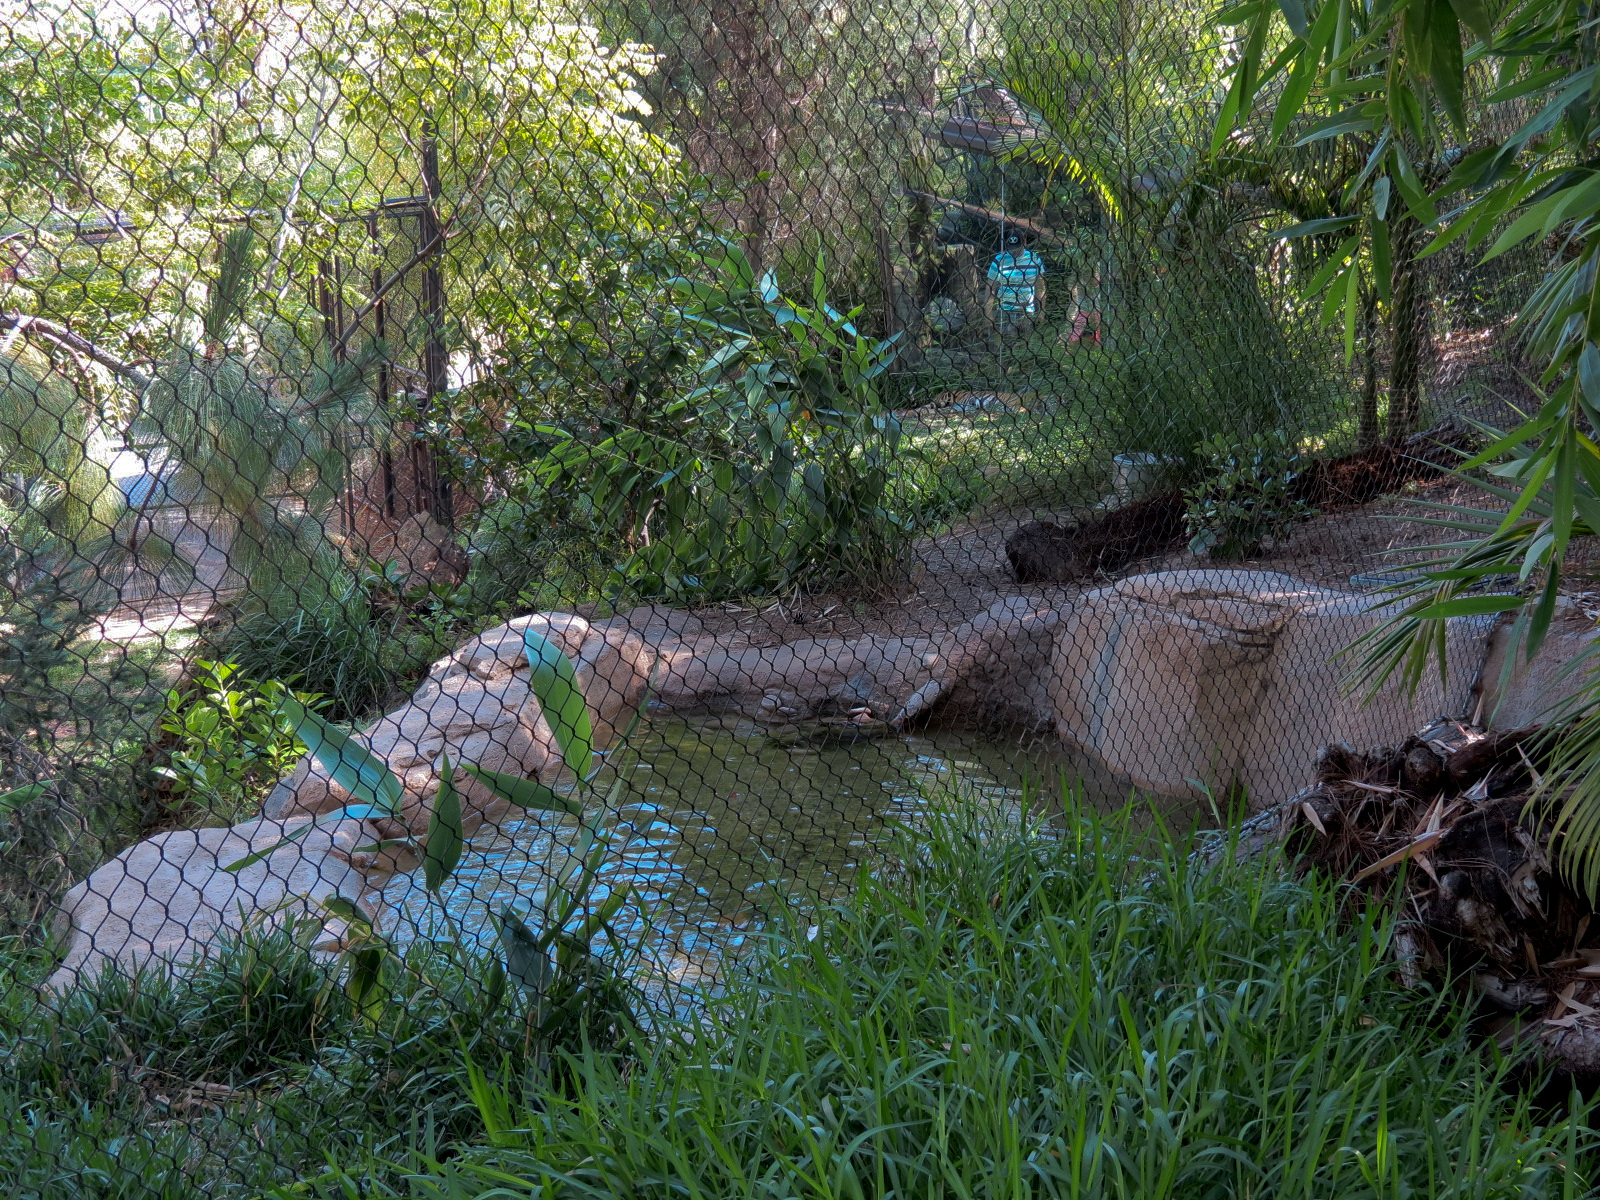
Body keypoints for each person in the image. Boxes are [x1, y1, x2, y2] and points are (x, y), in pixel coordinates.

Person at [986, 231, 1045, 340]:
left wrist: (1041, 310)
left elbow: (1040, 287)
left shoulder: (1034, 259)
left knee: (1027, 345)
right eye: (1011, 247)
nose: (1014, 251)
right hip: (1005, 310)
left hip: (1027, 311)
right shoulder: (999, 260)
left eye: (1017, 247)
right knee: (1006, 344)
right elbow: (990, 288)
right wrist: (988, 314)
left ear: (1024, 242)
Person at [1067, 267, 1102, 345]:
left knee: (1099, 331)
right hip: (1084, 309)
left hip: (1096, 309)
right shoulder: (1079, 275)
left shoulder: (1098, 268)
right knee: (1074, 332)